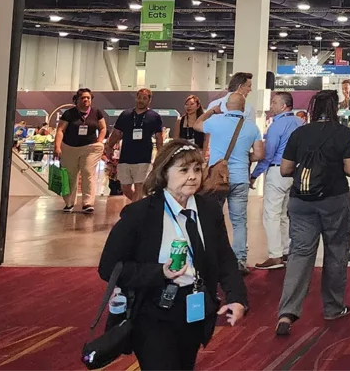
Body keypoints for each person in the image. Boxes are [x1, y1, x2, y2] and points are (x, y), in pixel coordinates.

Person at [97, 140, 248, 371]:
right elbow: (109, 267)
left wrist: (236, 297)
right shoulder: (140, 214)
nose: (193, 176)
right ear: (164, 173)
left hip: (194, 310)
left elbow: (225, 258)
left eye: (197, 169)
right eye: (184, 170)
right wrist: (159, 272)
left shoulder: (209, 211)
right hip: (151, 312)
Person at [275, 90, 350, 334]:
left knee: (300, 253)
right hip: (334, 199)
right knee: (335, 251)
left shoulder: (299, 132)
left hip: (301, 201)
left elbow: (284, 169)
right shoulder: (343, 133)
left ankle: (287, 313)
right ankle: (333, 307)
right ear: (335, 109)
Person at [203, 93, 264, 273]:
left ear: (226, 106)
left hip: (218, 180)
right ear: (243, 108)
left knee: (214, 218)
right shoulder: (252, 127)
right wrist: (245, 158)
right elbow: (260, 154)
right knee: (238, 221)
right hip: (240, 178)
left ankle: (214, 257)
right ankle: (239, 260)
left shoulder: (215, 121)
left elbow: (196, 124)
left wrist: (210, 112)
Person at [252, 91, 302, 271]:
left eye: (274, 103)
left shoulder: (276, 126)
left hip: (277, 171)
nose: (270, 106)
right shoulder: (300, 123)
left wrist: (254, 174)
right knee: (284, 214)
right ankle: (287, 250)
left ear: (283, 106)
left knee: (271, 214)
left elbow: (268, 154)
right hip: (295, 173)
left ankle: (275, 255)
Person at [105, 88, 166, 203]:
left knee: (139, 187)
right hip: (125, 156)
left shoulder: (154, 117)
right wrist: (109, 147)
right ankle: (139, 207)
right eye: (139, 97)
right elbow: (116, 133)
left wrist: (161, 154)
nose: (141, 101)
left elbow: (159, 137)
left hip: (144, 157)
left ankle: (135, 214)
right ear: (136, 98)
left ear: (149, 100)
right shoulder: (125, 114)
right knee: (125, 187)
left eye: (144, 98)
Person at [56, 88, 107, 214]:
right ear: (77, 100)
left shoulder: (96, 113)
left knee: (88, 173)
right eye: (83, 98)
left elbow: (103, 128)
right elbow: (60, 130)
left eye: (88, 98)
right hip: (70, 147)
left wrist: (99, 141)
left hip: (90, 148)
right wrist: (57, 147)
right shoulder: (69, 114)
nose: (86, 100)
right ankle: (69, 203)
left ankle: (87, 203)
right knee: (70, 176)